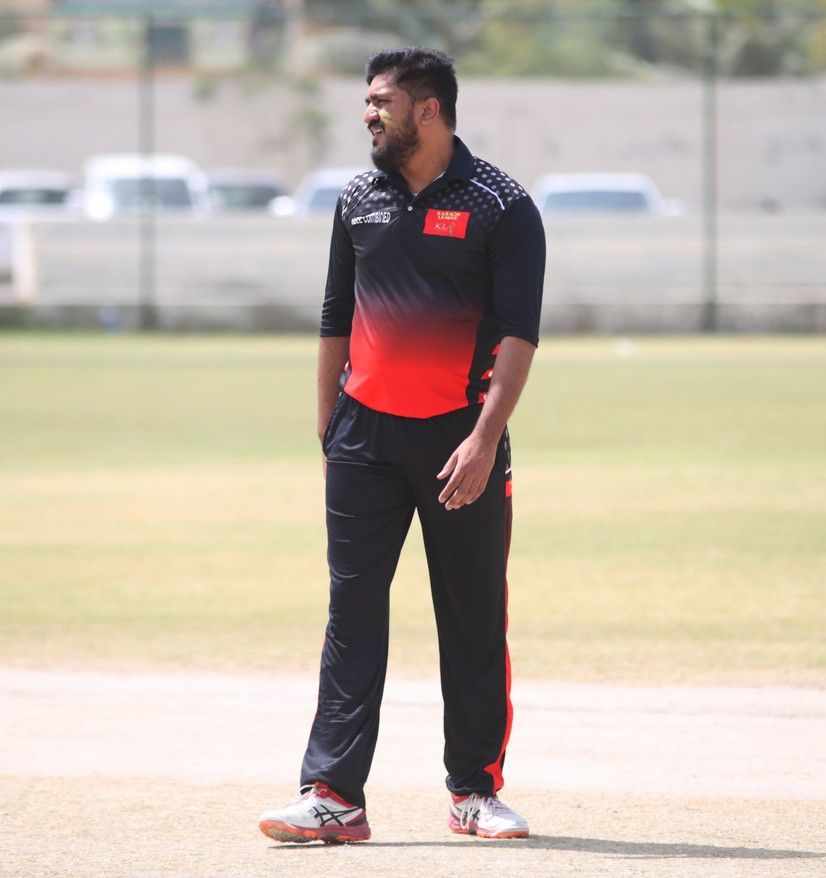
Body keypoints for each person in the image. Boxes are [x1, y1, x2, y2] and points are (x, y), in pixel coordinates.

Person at [258, 47, 546, 844]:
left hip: (461, 441)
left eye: (381, 101)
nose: (368, 115)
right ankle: (333, 796)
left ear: (429, 109)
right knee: (351, 616)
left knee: (473, 617)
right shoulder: (358, 198)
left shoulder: (502, 205)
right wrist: (329, 425)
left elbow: (520, 336)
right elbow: (334, 315)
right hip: (364, 439)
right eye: (367, 101)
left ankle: (474, 793)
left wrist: (485, 440)